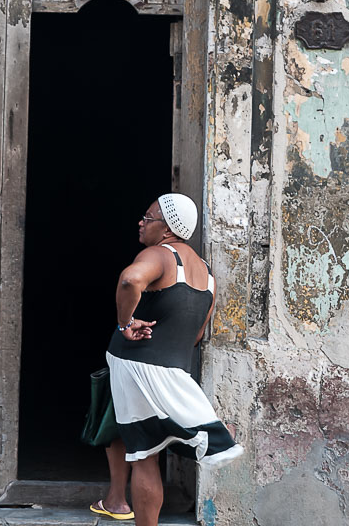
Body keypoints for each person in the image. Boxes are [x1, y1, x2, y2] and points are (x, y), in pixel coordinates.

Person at [90, 192, 242, 523]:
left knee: (145, 456)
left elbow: (130, 280)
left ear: (169, 229)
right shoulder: (206, 274)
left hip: (136, 367)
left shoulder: (158, 254)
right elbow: (198, 334)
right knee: (125, 429)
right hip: (172, 370)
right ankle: (115, 499)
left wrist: (125, 323)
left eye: (148, 218)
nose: (141, 223)